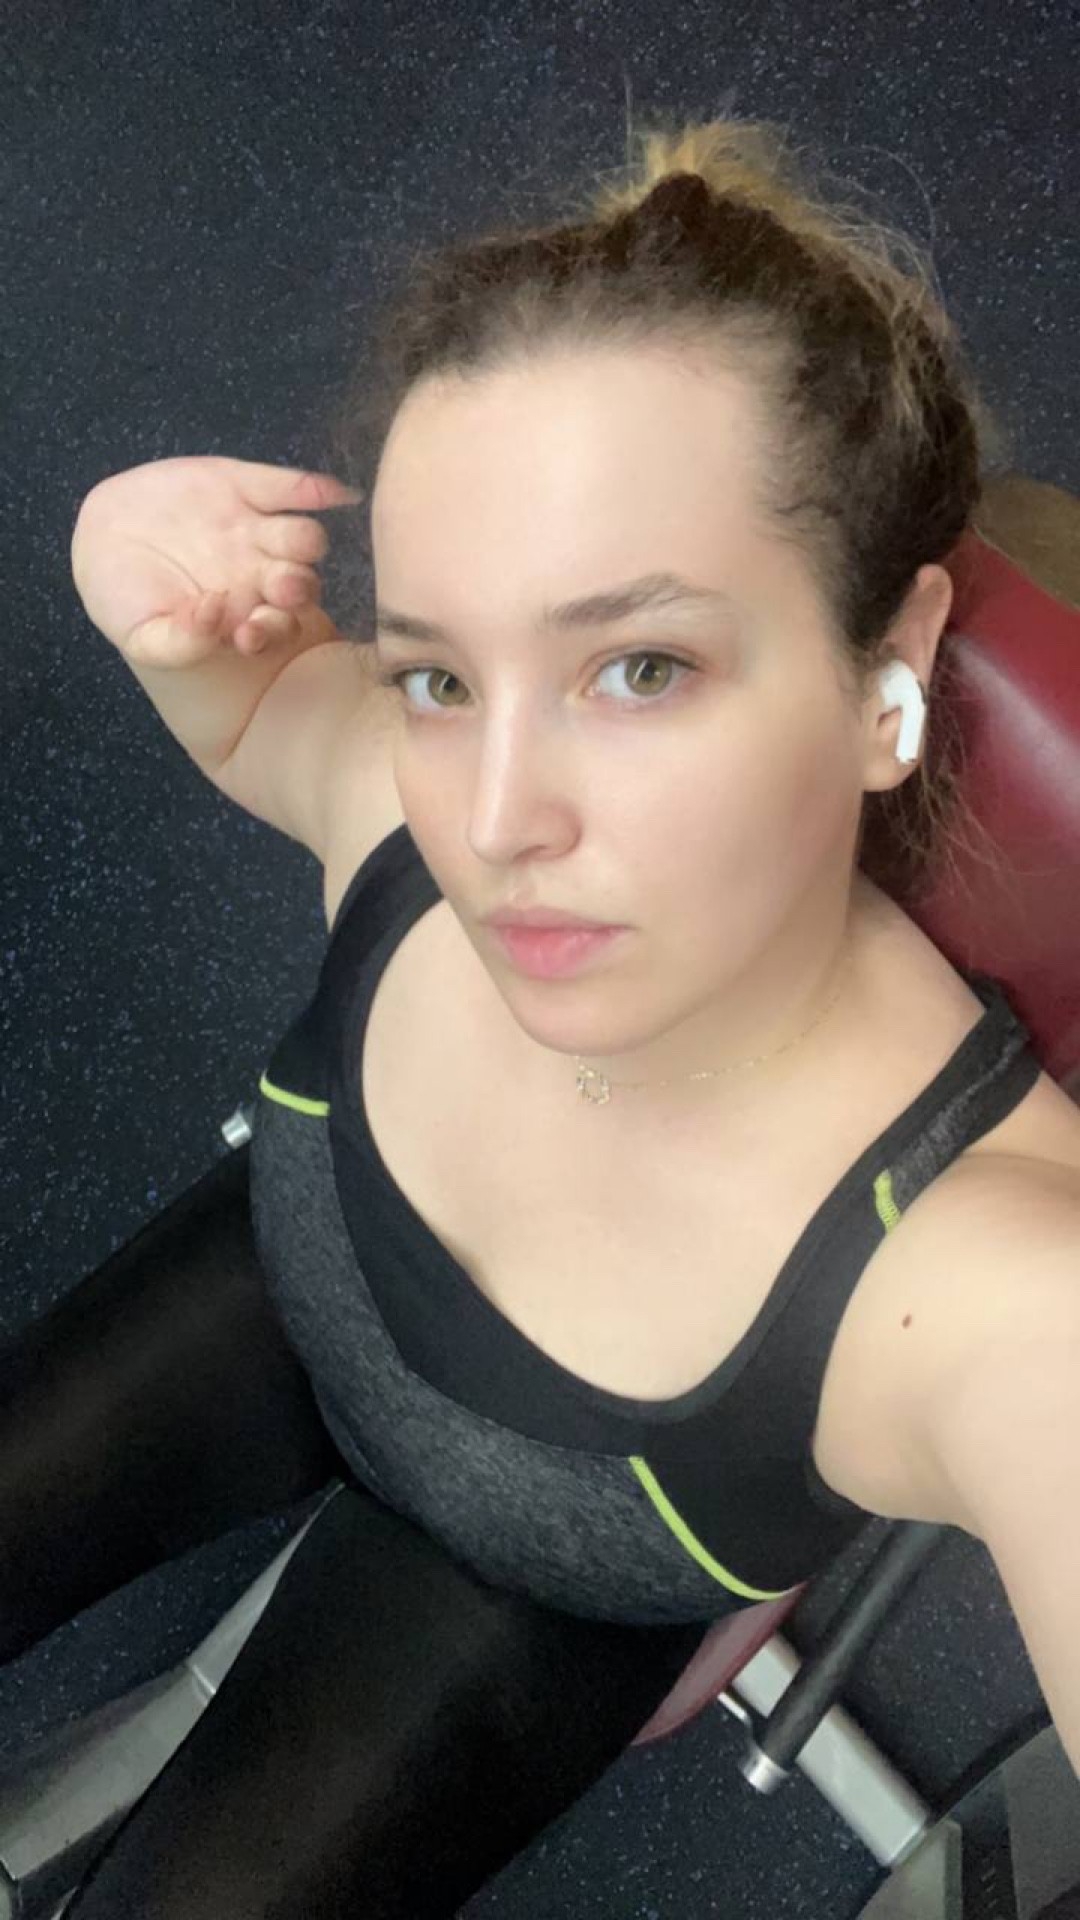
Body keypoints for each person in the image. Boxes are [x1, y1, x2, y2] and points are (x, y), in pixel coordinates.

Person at [14, 112, 1080, 1915]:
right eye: (439, 673)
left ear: (884, 670)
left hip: (531, 1589)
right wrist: (134, 590)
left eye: (638, 667)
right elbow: (267, 715)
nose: (496, 824)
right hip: (287, 1290)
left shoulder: (982, 1285)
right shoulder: (396, 805)